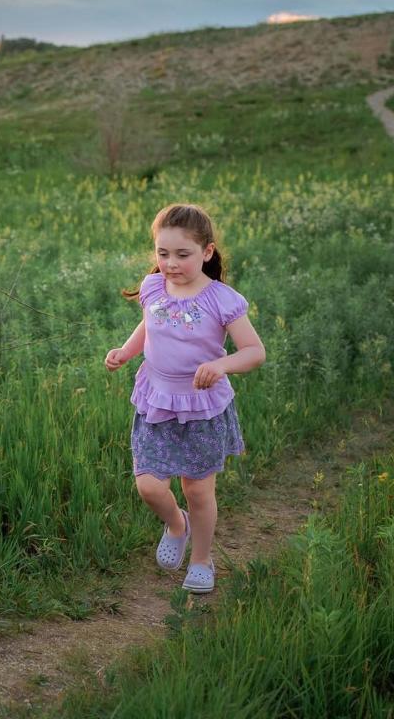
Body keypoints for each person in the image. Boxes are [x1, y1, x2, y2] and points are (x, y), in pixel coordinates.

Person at [104, 203, 265, 594]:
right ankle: (177, 525)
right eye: (162, 254)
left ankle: (201, 558)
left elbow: (254, 351)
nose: (170, 264)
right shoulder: (154, 286)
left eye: (182, 254)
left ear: (207, 252)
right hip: (156, 401)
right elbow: (149, 323)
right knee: (149, 486)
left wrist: (223, 365)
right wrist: (126, 351)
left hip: (201, 407)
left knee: (197, 489)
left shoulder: (221, 299)